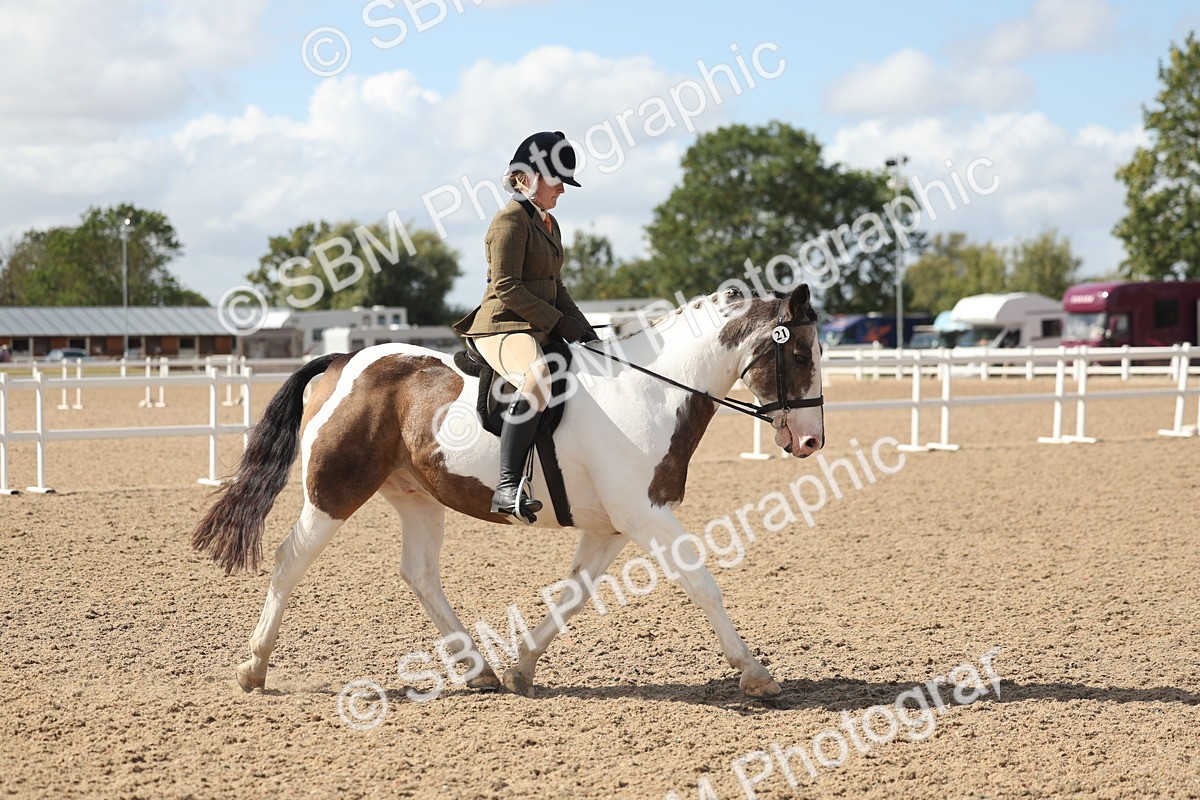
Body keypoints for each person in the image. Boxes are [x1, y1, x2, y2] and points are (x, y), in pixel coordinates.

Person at [454, 131, 598, 524]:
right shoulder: (509, 222)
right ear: (529, 177)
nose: (563, 191)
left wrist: (584, 330)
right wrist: (556, 321)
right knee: (537, 376)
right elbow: (506, 287)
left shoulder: (548, 224)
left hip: (535, 325)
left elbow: (557, 287)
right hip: (503, 325)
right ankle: (506, 485)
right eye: (558, 181)